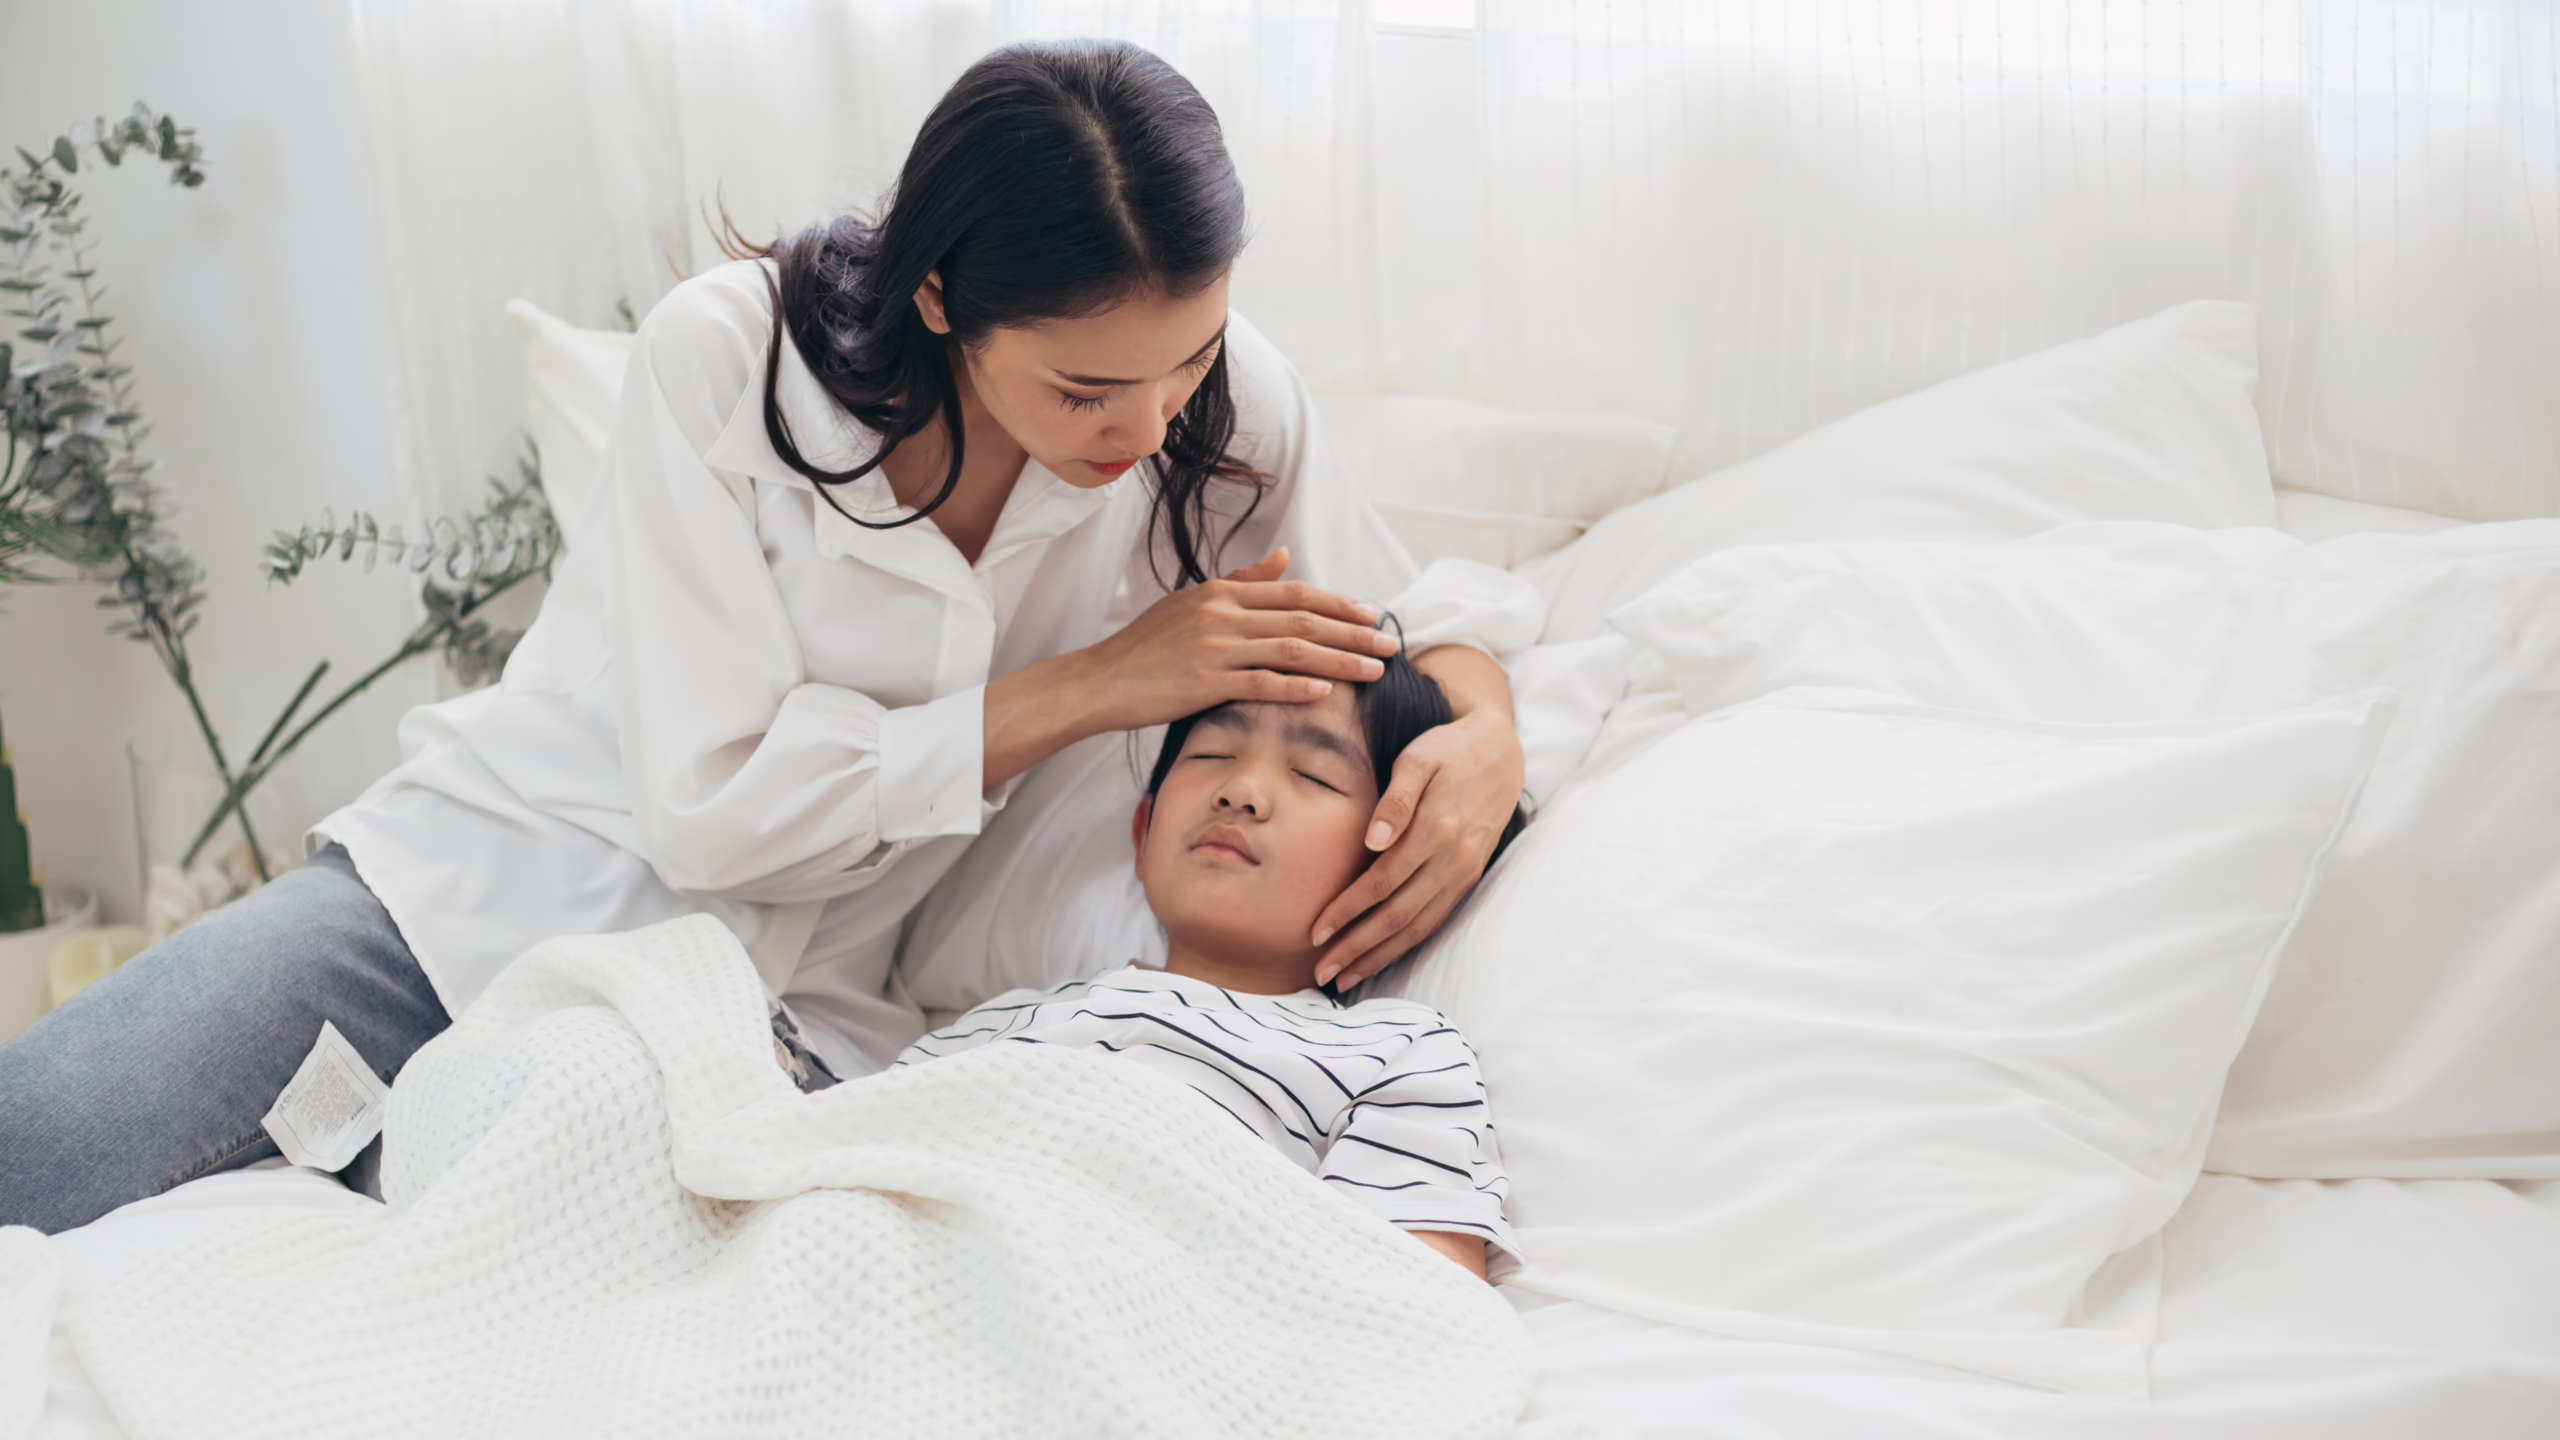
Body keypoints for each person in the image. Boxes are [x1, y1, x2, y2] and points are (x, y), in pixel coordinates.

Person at [0, 38, 1534, 1235]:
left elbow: (1411, 619)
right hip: (488, 895)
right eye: (1082, 393)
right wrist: (1092, 690)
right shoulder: (726, 365)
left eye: (1185, 360)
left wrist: (1482, 732)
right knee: (41, 1144)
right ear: (940, 298)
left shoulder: (1216, 400)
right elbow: (714, 812)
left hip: (790, 1028)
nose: (1143, 431)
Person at [898, 642, 1524, 1279]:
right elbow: (855, 1152)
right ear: (1143, 835)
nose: (1240, 790)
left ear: (1405, 866)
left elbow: (1422, 1299)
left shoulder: (1397, 1054)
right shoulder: (1006, 1020)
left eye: (1314, 774)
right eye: (1211, 755)